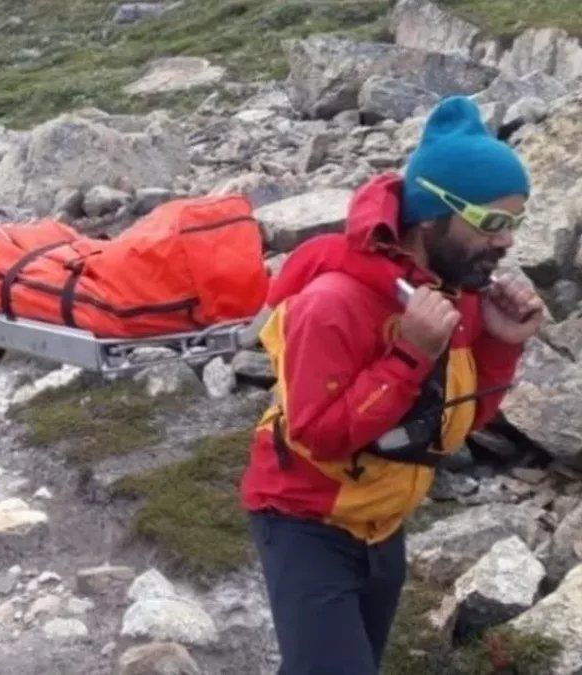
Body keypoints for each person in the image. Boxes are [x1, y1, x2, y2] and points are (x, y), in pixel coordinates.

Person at [239, 95, 545, 674]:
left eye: (515, 223)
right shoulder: (333, 303)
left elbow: (449, 428)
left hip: (383, 523)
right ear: (430, 216)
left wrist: (500, 345)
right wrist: (408, 354)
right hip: (304, 520)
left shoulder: (454, 294)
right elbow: (318, 435)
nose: (506, 242)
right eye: (491, 223)